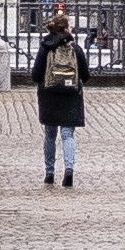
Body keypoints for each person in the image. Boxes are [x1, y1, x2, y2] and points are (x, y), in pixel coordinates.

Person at [28, 20, 87, 187]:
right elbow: (86, 74)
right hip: (70, 96)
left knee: (50, 134)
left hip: (49, 95)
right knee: (68, 134)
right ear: (67, 28)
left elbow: (35, 74)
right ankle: (69, 170)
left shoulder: (46, 47)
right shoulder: (75, 49)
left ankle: (49, 172)